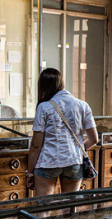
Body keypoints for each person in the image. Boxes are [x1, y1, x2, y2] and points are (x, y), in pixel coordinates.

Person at [26, 68, 98, 196]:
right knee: (70, 204)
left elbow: (36, 145)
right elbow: (94, 139)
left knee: (45, 205)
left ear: (43, 86)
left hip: (47, 162)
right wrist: (77, 149)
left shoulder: (44, 107)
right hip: (74, 161)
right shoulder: (83, 105)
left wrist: (30, 173)